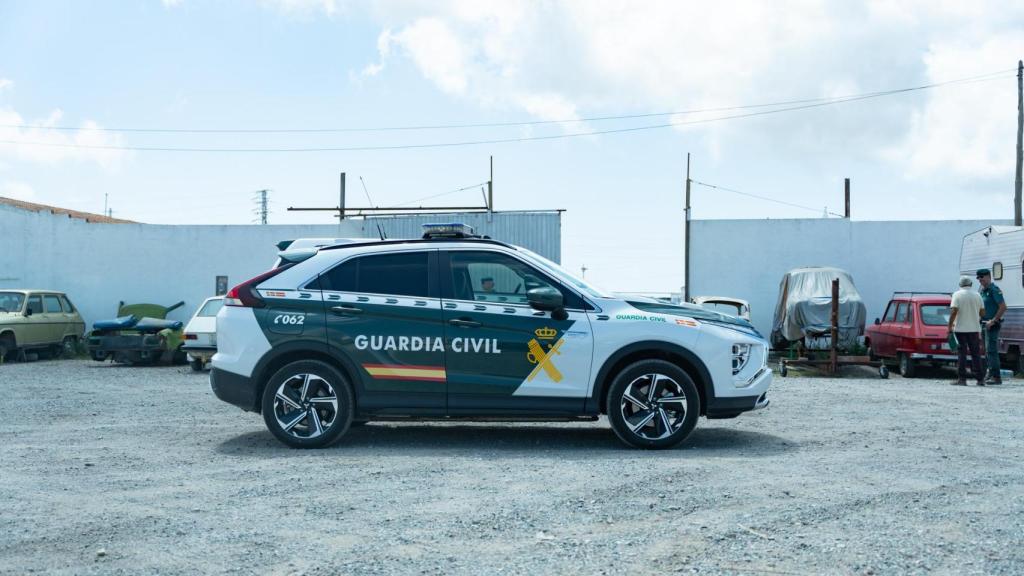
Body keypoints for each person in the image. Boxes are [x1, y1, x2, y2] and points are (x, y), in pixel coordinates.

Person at [948, 275, 985, 386]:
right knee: (976, 354)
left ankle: (962, 379)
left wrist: (949, 326)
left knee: (962, 354)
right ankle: (980, 379)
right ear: (971, 284)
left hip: (960, 328)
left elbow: (954, 311)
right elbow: (983, 313)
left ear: (960, 285)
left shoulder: (956, 295)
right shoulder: (977, 295)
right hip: (974, 329)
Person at [976, 268, 1007, 385]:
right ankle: (990, 373)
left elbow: (1003, 307)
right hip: (984, 324)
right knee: (986, 351)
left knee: (991, 350)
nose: (980, 280)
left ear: (989, 276)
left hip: (992, 324)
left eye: (982, 277)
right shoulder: (983, 291)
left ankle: (996, 377)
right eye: (978, 278)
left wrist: (993, 321)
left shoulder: (994, 290)